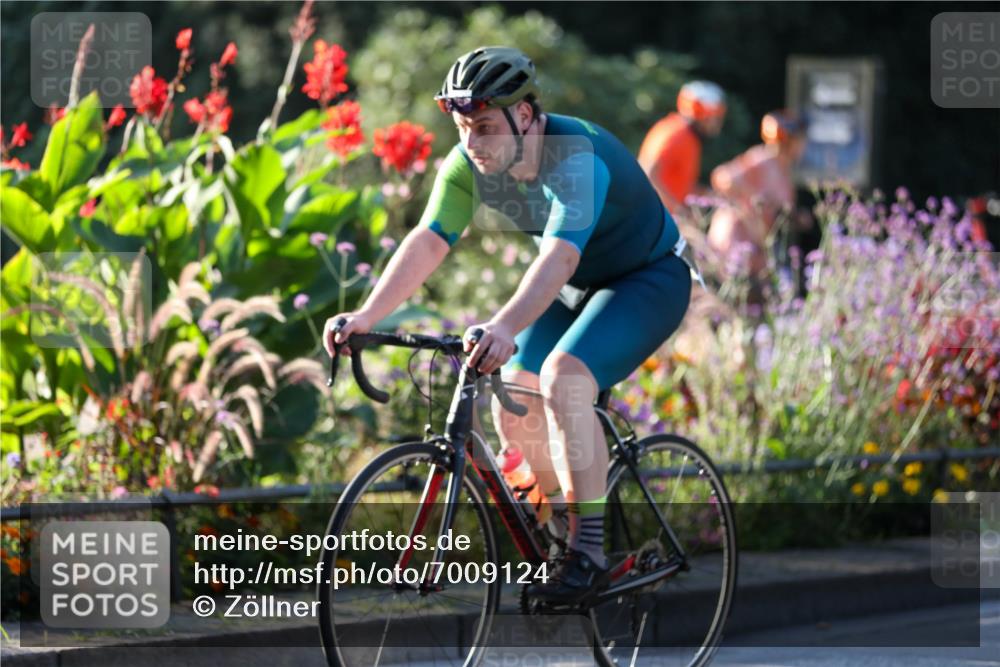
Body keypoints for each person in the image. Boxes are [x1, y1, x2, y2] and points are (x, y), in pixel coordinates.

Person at [323, 46, 701, 605]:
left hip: (646, 279)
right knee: (512, 400)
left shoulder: (575, 158)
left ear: (524, 115)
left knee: (566, 377)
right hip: (574, 289)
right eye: (461, 128)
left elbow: (559, 259)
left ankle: (588, 551)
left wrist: (501, 326)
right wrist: (366, 316)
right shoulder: (468, 164)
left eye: (483, 126)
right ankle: (560, 534)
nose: (471, 144)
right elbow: (428, 241)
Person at [707, 110, 808, 282]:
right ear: (788, 139)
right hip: (735, 242)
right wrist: (755, 198)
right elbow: (723, 177)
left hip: (757, 250)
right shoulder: (762, 160)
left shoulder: (784, 170)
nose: (803, 146)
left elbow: (778, 210)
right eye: (800, 140)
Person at [638, 80, 727, 211]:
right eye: (716, 117)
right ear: (702, 113)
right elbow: (648, 173)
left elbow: (680, 185)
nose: (718, 123)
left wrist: (711, 195)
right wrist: (679, 211)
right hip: (651, 216)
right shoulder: (678, 135)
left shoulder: (686, 136)